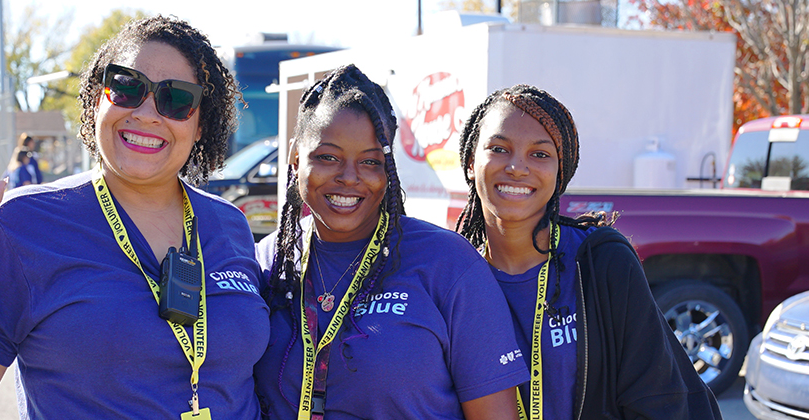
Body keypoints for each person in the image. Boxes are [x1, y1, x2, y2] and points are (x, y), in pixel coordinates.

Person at [0, 15, 269, 419]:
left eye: (176, 99)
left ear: (200, 125)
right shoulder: (26, 223)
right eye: (127, 87)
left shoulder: (230, 226)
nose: (146, 113)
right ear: (97, 102)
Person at [254, 64, 528, 419]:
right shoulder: (265, 262)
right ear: (294, 159)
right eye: (327, 157)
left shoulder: (448, 264)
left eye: (370, 162)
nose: (349, 177)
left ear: (389, 170)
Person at [455, 84, 723, 419]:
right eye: (499, 148)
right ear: (470, 162)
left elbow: (660, 399)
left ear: (560, 172)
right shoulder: (453, 278)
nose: (517, 167)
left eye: (540, 154)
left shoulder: (601, 262)